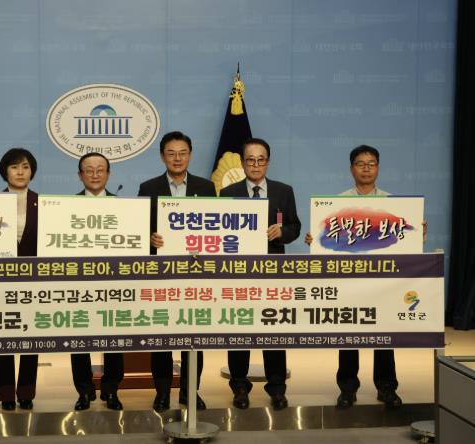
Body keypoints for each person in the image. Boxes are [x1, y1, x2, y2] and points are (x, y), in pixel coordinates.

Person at [304, 144, 418, 410]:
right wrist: (315, 240)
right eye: (360, 164)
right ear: (351, 168)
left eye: (371, 164)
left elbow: (404, 242)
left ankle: (386, 388)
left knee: (384, 336)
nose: (366, 169)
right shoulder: (337, 203)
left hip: (383, 283)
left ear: (378, 168)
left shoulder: (394, 204)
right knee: (349, 335)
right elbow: (326, 240)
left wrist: (416, 233)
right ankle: (347, 388)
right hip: (350, 282)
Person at [220, 137, 301, 411]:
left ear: (268, 161)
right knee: (240, 331)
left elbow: (295, 226)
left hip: (273, 273)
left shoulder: (283, 191)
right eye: (250, 160)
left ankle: (277, 388)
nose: (255, 165)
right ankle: (240, 386)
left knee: (273, 331)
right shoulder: (228, 193)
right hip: (239, 274)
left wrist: (283, 232)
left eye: (261, 159)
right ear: (242, 163)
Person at [138, 131, 216, 412]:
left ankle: (189, 391)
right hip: (162, 274)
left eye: (182, 153)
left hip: (196, 273)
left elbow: (216, 227)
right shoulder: (148, 187)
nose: (177, 158)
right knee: (162, 335)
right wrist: (149, 237)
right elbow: (138, 228)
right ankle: (161, 392)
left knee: (194, 336)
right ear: (162, 157)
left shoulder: (206, 188)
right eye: (171, 153)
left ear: (190, 155)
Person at [70, 152, 124, 411]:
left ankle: (111, 390)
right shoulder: (66, 207)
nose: (94, 175)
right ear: (80, 175)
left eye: (100, 170)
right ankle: (84, 391)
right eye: (88, 170)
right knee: (79, 339)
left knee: (114, 339)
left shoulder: (123, 207)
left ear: (108, 174)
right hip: (78, 284)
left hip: (113, 284)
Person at [0, 148, 40, 411]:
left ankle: (26, 392)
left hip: (34, 280)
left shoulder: (43, 203)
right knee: (3, 335)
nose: (20, 172)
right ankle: (5, 393)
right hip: (1, 280)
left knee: (31, 336)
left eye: (25, 167)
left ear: (32, 171)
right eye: (14, 167)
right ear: (5, 172)